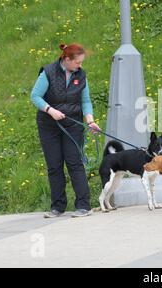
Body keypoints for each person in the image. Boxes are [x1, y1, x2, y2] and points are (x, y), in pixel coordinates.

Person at [31, 43, 101, 218]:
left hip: (72, 125)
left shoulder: (81, 75)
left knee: (74, 163)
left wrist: (90, 120)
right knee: (54, 166)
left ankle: (84, 206)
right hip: (48, 126)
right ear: (67, 59)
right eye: (77, 62)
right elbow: (35, 96)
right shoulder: (48, 72)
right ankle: (57, 207)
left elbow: (85, 101)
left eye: (81, 62)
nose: (80, 66)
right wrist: (50, 110)